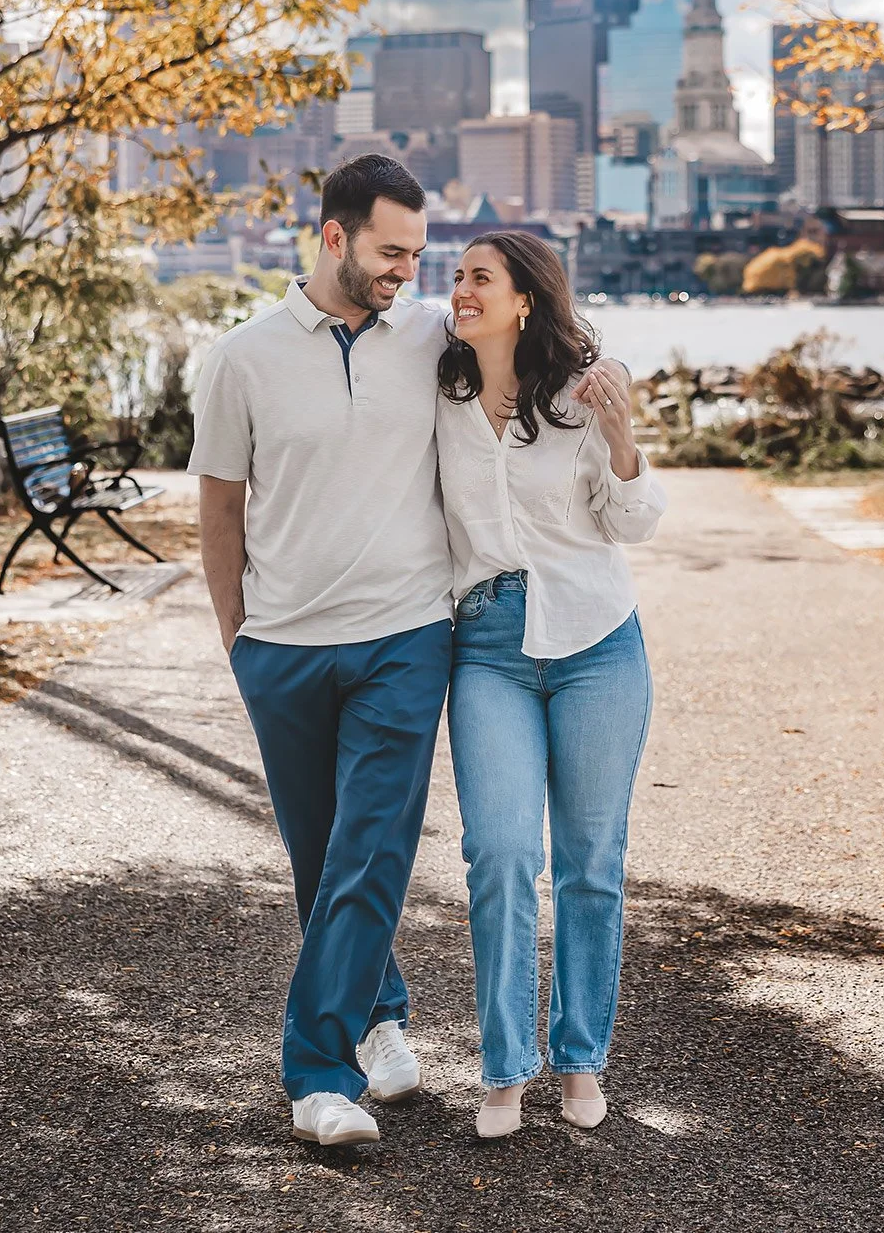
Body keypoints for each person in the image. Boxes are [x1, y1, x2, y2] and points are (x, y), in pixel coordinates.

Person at [190, 153, 455, 1149]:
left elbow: (532, 346)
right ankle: (378, 1012)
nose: (406, 272)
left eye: (417, 254)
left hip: (405, 633)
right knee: (322, 854)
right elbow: (220, 507)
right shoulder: (242, 357)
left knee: (371, 847)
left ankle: (316, 1074)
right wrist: (239, 639)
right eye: (390, 252)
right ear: (334, 237)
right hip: (284, 646)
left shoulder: (431, 336)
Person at [435, 231, 664, 1139]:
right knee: (497, 852)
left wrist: (622, 437)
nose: (460, 289)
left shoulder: (583, 394)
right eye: (456, 276)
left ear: (525, 298)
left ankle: (580, 1057)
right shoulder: (440, 394)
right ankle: (505, 1067)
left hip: (597, 642)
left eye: (478, 277)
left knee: (589, 862)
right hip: (487, 645)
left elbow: (632, 524)